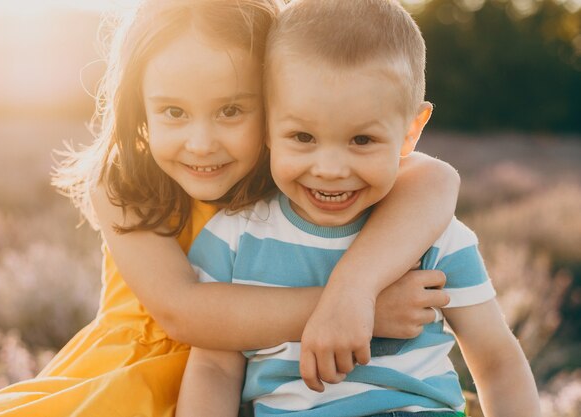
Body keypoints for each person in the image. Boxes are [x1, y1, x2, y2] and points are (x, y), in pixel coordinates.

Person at [0, 1, 460, 416]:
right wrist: (355, 309)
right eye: (173, 112)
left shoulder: (294, 170)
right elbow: (182, 312)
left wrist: (357, 287)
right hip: (131, 380)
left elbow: (437, 179)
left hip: (249, 378)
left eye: (231, 110)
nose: (201, 143)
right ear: (140, 108)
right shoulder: (122, 183)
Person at [176, 1, 542, 416]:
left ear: (411, 131)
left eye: (362, 140)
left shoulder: (433, 237)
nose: (330, 169)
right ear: (267, 125)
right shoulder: (234, 239)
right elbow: (213, 369)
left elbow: (496, 361)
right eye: (302, 136)